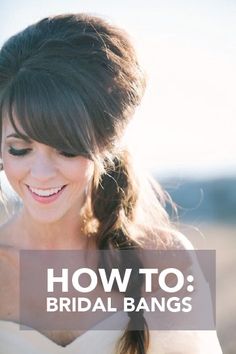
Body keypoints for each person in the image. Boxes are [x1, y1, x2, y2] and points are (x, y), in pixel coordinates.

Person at [0, 13, 222, 354]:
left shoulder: (165, 261)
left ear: (104, 146)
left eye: (66, 149)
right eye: (20, 149)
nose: (41, 173)